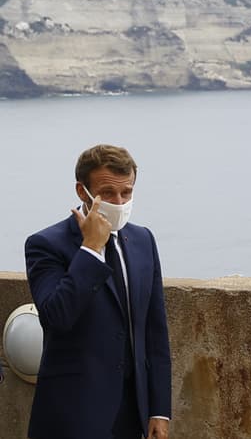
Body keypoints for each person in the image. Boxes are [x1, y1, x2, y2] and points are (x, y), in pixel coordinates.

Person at [24, 144, 171, 439]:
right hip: (73, 412)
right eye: (107, 193)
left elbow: (154, 331)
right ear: (82, 191)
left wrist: (159, 409)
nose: (119, 201)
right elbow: (56, 316)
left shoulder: (143, 240)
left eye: (126, 192)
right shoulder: (46, 244)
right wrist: (91, 248)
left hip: (133, 414)